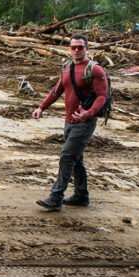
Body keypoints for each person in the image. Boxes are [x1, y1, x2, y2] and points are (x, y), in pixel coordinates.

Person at [32, 33, 108, 212]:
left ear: (87, 48)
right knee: (76, 159)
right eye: (73, 47)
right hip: (69, 122)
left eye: (80, 47)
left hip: (85, 123)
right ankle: (82, 195)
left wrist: (89, 113)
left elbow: (102, 96)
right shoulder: (67, 67)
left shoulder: (95, 70)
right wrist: (42, 107)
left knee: (67, 157)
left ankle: (55, 197)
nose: (76, 51)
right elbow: (57, 89)